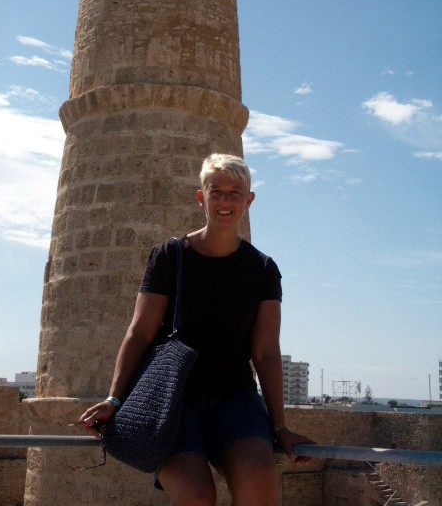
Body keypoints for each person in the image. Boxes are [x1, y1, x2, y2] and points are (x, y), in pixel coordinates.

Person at [79, 153, 313, 505]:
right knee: (196, 496)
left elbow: (265, 353)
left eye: (235, 192)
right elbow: (139, 334)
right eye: (216, 191)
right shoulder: (169, 257)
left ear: (248, 201)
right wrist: (114, 399)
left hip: (234, 399)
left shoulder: (262, 269)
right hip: (173, 401)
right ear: (201, 197)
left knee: (260, 484)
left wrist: (280, 427)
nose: (225, 200)